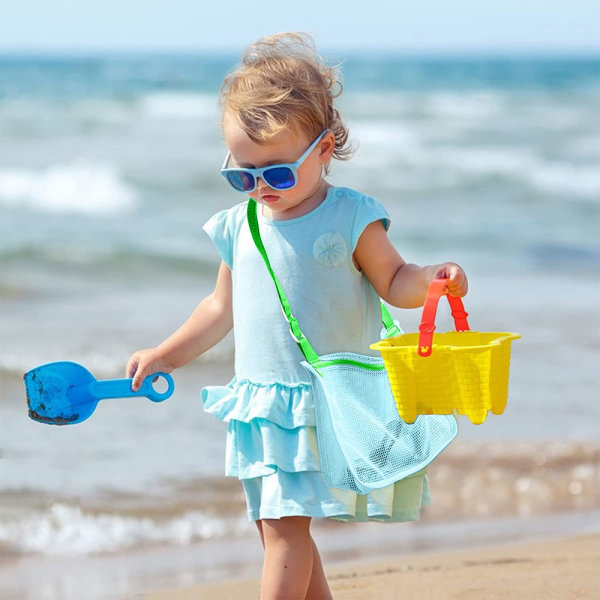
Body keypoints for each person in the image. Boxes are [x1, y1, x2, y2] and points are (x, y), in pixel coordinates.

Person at [126, 32, 468, 600]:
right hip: (260, 401)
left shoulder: (350, 216)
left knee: (286, 532)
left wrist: (433, 280)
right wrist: (167, 353)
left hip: (319, 399)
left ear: (326, 148)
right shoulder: (242, 226)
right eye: (244, 173)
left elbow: (394, 280)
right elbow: (219, 308)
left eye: (279, 173)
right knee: (275, 531)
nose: (261, 186)